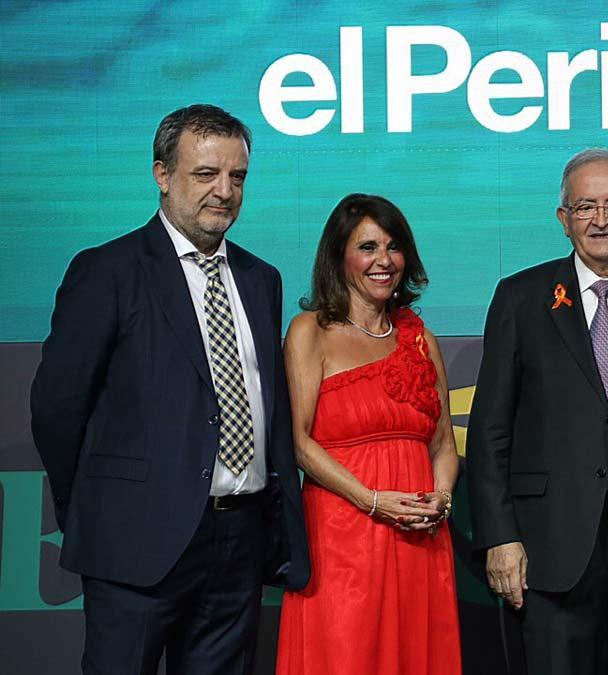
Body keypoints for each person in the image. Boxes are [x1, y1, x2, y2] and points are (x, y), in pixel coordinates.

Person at [29, 104, 310, 674]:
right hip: (134, 539)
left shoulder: (262, 279)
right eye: (206, 175)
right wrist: (91, 507)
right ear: (162, 175)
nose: (225, 191)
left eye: (238, 176)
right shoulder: (106, 270)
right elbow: (56, 409)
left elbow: (269, 407)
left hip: (240, 540)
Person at [466, 149, 608, 675]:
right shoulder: (521, 298)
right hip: (549, 549)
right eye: (585, 206)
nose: (600, 220)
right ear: (563, 219)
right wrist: (500, 537)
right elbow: (490, 430)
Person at [275, 194, 461, 674]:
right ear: (340, 256)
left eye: (393, 246)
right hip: (342, 537)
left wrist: (438, 500)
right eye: (368, 246)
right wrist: (372, 499)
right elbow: (299, 442)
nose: (384, 260)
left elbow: (442, 444)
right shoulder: (309, 331)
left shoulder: (421, 339)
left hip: (419, 537)